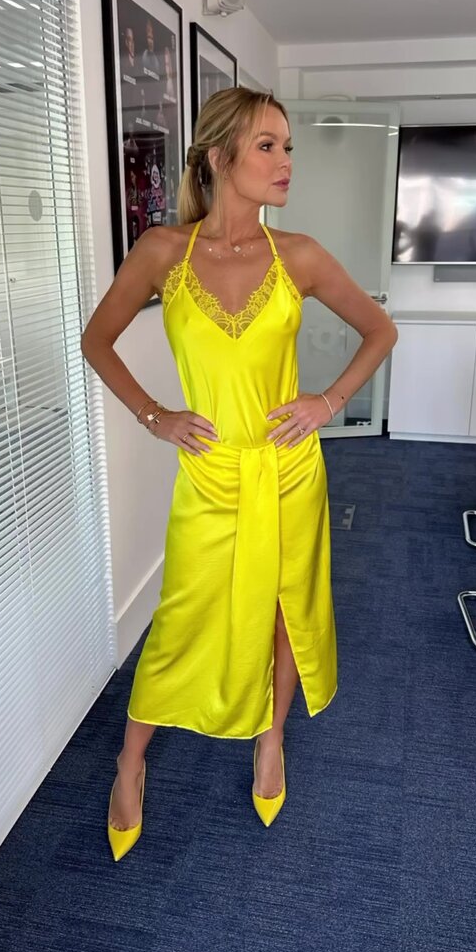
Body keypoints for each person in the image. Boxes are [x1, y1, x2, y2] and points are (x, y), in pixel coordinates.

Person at [80, 87, 398, 861]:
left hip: (289, 472)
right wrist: (156, 415)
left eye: (288, 147)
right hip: (211, 475)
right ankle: (130, 762)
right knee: (182, 617)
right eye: (268, 146)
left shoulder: (301, 255)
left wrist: (328, 402)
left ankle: (271, 737)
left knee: (284, 613)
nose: (286, 162)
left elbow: (379, 329)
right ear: (220, 156)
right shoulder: (164, 252)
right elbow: (97, 339)